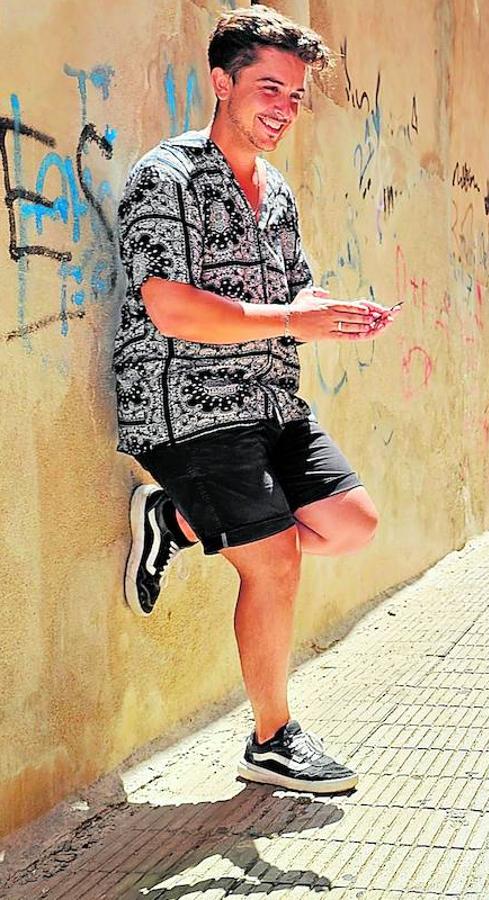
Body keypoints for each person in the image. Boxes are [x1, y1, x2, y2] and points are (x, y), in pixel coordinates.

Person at [114, 7, 396, 794]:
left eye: (295, 95)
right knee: (270, 562)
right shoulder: (164, 177)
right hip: (187, 402)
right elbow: (170, 307)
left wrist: (330, 314)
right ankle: (271, 740)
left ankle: (173, 518)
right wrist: (291, 319)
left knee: (349, 525)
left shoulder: (276, 191)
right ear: (221, 82)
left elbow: (288, 290)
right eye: (268, 87)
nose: (283, 106)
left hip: (271, 396)